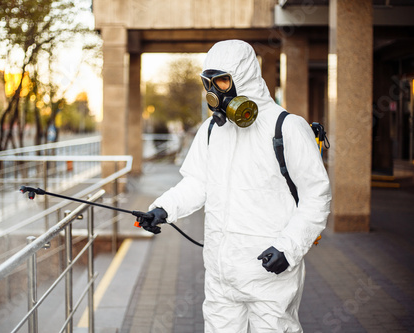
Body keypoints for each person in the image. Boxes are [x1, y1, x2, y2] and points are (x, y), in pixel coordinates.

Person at [138, 40, 332, 332]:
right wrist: (163, 209)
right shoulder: (212, 131)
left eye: (223, 80)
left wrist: (289, 249)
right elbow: (196, 183)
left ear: (246, 76)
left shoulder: (287, 127)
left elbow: (317, 196)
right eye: (210, 83)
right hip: (220, 274)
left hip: (270, 273)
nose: (216, 91)